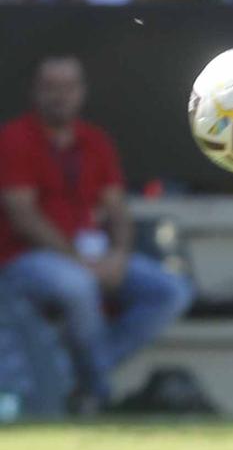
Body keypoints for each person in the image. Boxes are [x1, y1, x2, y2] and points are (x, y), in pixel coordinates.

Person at [0, 56, 195, 413]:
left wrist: (119, 254)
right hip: (25, 261)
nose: (60, 96)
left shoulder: (95, 141)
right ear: (35, 92)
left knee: (170, 292)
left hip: (92, 254)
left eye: (68, 87)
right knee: (78, 285)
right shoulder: (14, 138)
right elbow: (22, 215)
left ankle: (79, 377)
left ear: (82, 92)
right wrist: (79, 261)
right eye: (51, 87)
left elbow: (117, 208)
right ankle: (98, 394)